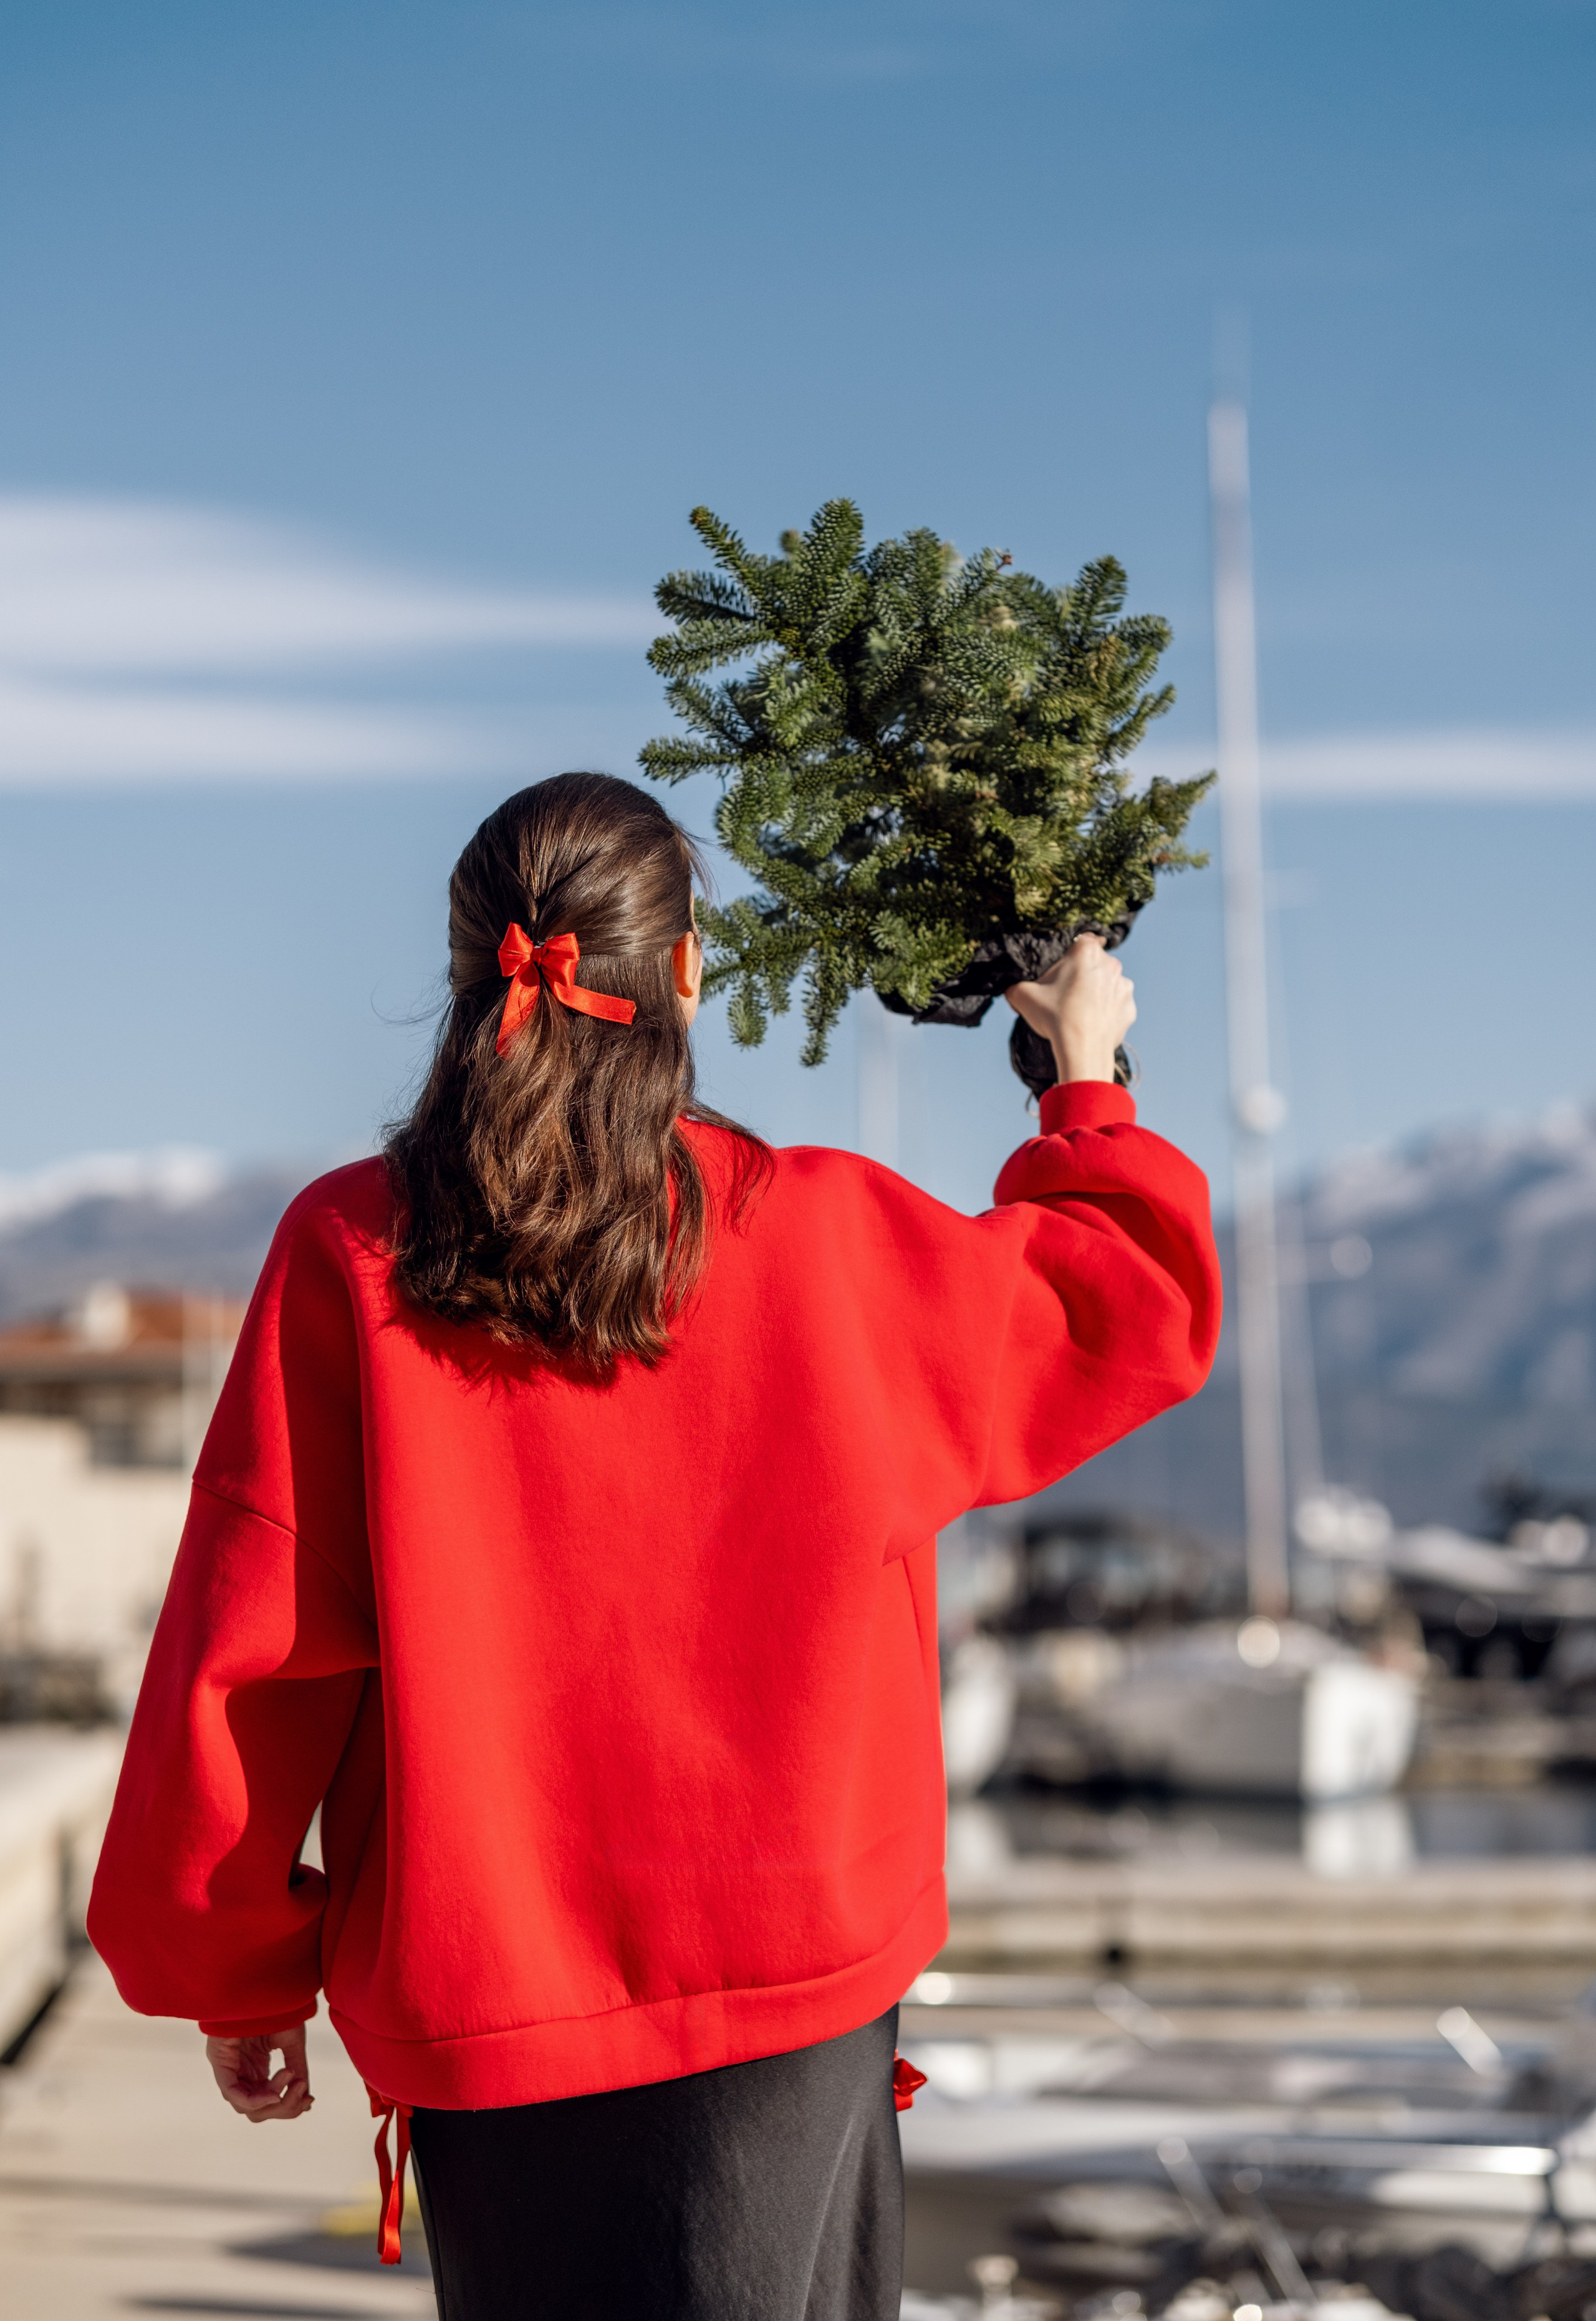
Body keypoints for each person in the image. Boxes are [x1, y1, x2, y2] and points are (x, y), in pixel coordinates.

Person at [89, 771, 1221, 2321]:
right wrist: (1081, 1073)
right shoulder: (824, 1234)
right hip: (791, 1976)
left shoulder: (351, 1252)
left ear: (468, 969)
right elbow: (1116, 1309)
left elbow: (251, 1644)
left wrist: (230, 1968)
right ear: (682, 970)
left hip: (491, 1997)